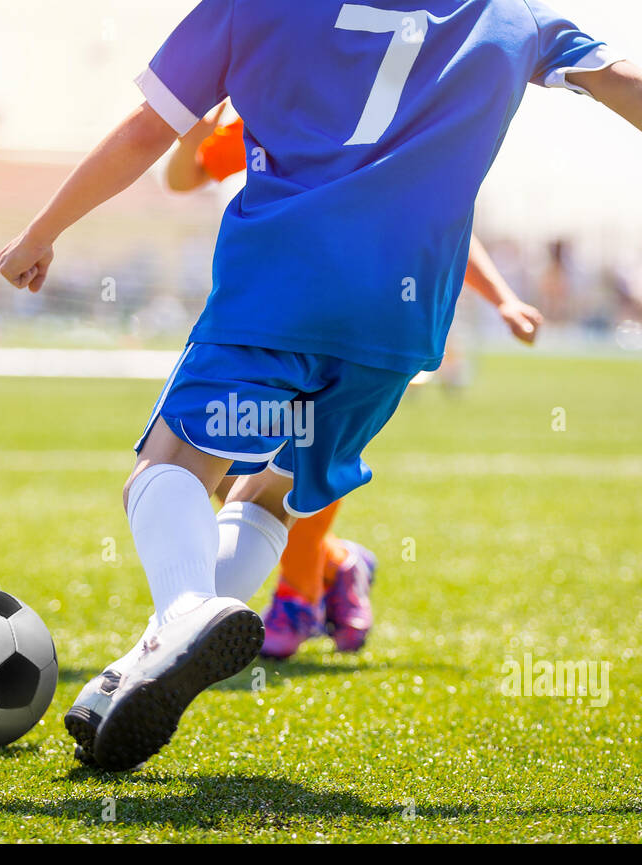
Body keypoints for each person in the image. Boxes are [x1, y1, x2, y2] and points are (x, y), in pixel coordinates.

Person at [0, 0, 642, 772]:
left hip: (281, 290)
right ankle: (147, 658)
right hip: (398, 326)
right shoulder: (509, 15)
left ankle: (180, 614)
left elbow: (152, 133)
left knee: (171, 469)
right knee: (269, 496)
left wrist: (40, 233)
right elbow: (625, 80)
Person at [165, 105, 544, 661]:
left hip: (365, 322)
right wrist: (193, 134)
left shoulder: (390, 113)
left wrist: (504, 299)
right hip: (268, 309)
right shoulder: (278, 102)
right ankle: (339, 564)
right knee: (232, 470)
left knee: (305, 452)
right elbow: (187, 175)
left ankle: (299, 596)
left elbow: (441, 217)